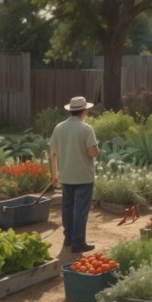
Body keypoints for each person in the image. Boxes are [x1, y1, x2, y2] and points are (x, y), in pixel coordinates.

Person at [49, 96, 99, 253]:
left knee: (67, 208)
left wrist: (54, 174)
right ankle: (78, 242)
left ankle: (69, 238)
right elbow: (92, 152)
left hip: (66, 175)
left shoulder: (59, 128)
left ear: (71, 111)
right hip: (83, 176)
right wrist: (98, 150)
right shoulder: (86, 129)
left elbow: (53, 153)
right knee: (81, 210)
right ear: (84, 111)